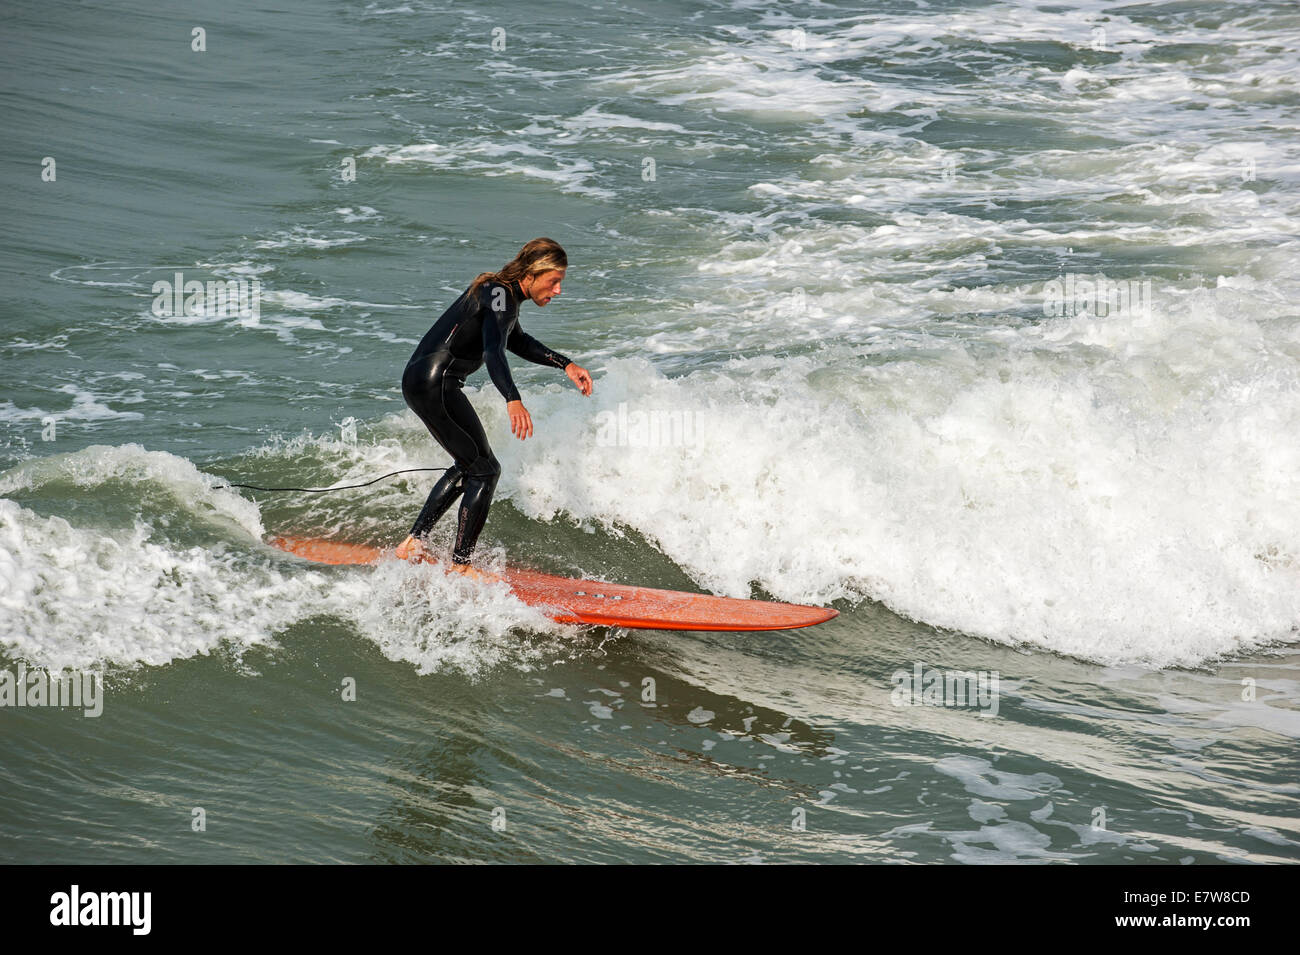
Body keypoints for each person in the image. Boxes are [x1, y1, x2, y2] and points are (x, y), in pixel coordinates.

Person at [396, 238, 593, 579]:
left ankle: (414, 543)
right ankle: (461, 565)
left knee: (471, 464)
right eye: (554, 281)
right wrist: (512, 398)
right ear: (531, 274)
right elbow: (493, 352)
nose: (558, 290)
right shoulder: (500, 294)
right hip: (435, 383)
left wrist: (565, 364)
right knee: (485, 471)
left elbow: (515, 341)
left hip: (426, 381)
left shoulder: (500, 294)